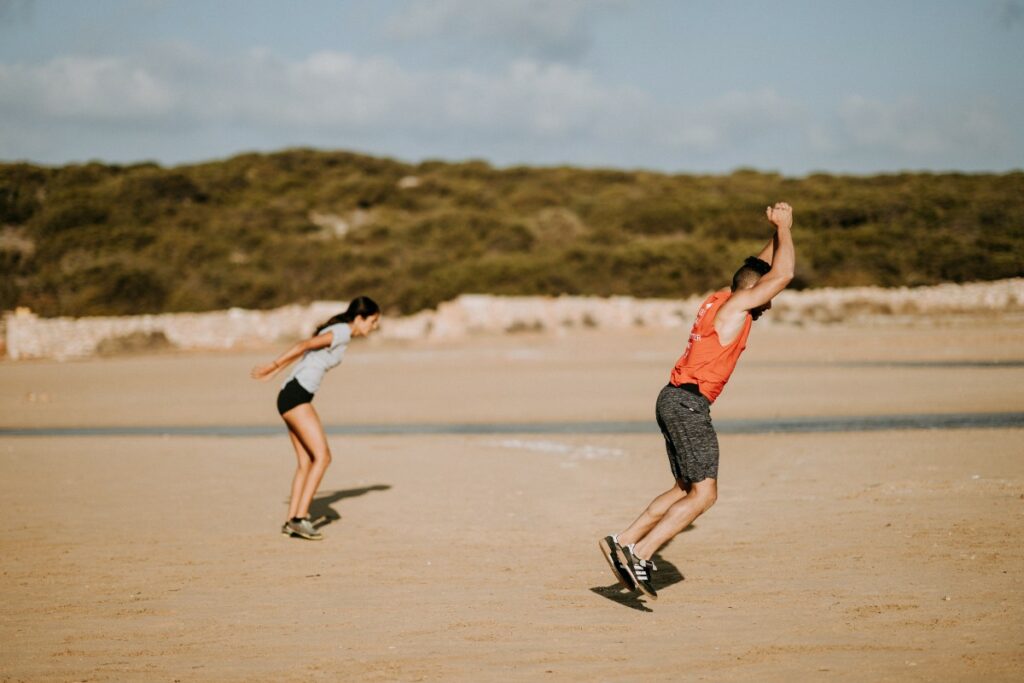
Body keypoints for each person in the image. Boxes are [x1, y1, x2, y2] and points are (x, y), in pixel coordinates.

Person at [599, 202, 795, 599]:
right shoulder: (737, 306)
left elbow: (756, 267)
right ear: (753, 292)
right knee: (704, 494)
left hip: (672, 399)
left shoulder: (721, 297)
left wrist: (776, 230)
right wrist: (788, 228)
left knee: (684, 487)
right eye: (766, 296)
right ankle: (641, 553)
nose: (770, 304)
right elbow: (783, 274)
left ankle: (624, 540)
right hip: (688, 405)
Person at [250, 296, 381, 540]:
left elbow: (305, 350)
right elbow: (304, 345)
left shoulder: (339, 331)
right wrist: (273, 366)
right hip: (297, 395)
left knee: (306, 461)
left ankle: (292, 521)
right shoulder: (342, 331)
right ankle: (300, 519)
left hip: (291, 394)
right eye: (372, 322)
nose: (373, 327)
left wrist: (276, 370)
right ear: (360, 317)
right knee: (323, 457)